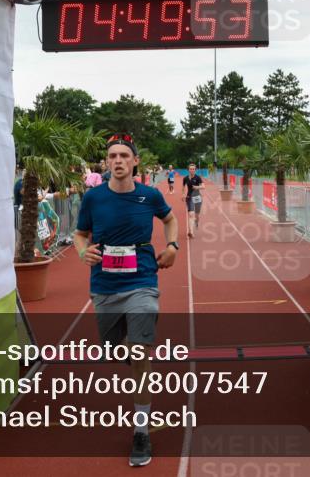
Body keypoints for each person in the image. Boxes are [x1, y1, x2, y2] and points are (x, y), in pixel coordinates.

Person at [73, 134, 179, 468]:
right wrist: (81, 251)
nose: (117, 160)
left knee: (138, 351)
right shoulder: (93, 198)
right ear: (106, 163)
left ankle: (141, 429)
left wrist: (173, 247)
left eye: (123, 156)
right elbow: (80, 234)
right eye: (112, 156)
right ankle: (139, 362)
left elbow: (170, 219)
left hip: (142, 282)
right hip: (104, 286)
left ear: (135, 163)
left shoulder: (150, 196)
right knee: (116, 351)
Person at [183, 163, 204, 238]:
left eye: (193, 169)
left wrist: (197, 187)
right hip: (189, 197)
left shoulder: (198, 178)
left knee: (197, 215)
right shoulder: (185, 178)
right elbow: (183, 187)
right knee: (191, 214)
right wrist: (183, 195)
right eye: (190, 169)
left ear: (195, 170)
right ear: (188, 170)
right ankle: (191, 232)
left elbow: (203, 186)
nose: (192, 170)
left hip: (197, 197)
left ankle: (196, 221)